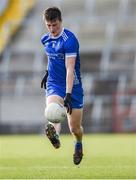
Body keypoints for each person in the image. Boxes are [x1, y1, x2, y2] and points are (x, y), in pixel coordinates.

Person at [41, 7, 84, 165]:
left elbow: (69, 69)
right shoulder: (45, 39)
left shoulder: (69, 40)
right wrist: (47, 72)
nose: (52, 29)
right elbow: (51, 59)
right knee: (52, 110)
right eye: (49, 25)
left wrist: (68, 94)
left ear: (60, 21)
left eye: (55, 25)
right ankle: (55, 137)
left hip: (73, 86)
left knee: (75, 128)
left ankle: (78, 144)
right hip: (54, 83)